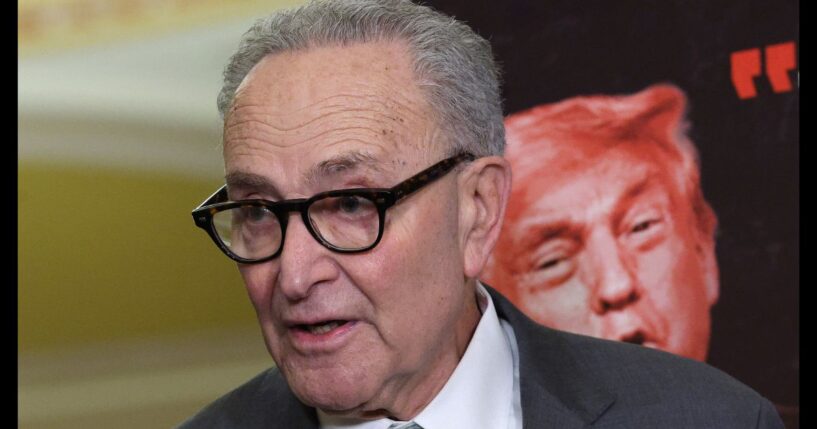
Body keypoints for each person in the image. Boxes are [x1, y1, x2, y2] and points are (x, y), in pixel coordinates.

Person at [181, 1, 783, 427]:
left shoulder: (707, 418)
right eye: (259, 210)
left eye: (350, 204)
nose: (293, 275)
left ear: (478, 210)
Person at [482, 84, 720, 362]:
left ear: (704, 251)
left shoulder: (753, 407)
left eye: (641, 227)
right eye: (552, 261)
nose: (616, 286)